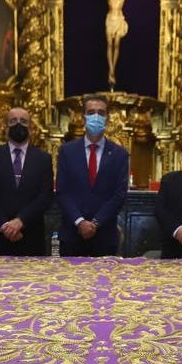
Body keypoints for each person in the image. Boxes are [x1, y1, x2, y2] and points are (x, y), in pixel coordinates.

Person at [55, 95, 129, 257]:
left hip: (104, 236)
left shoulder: (119, 154)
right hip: (72, 235)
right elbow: (62, 192)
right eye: (91, 112)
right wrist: (80, 222)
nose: (96, 117)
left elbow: (119, 194)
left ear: (107, 118)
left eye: (101, 113)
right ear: (83, 117)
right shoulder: (67, 151)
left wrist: (95, 223)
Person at [0, 106, 54, 256]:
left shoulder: (43, 159)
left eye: (23, 121)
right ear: (6, 127)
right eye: (13, 121)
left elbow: (45, 196)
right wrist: (4, 226)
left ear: (31, 127)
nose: (18, 125)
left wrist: (20, 221)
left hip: (31, 236)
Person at [73, 0, 153, 87]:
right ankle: (111, 71)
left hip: (119, 19)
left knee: (116, 45)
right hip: (110, 19)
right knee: (109, 45)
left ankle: (112, 70)